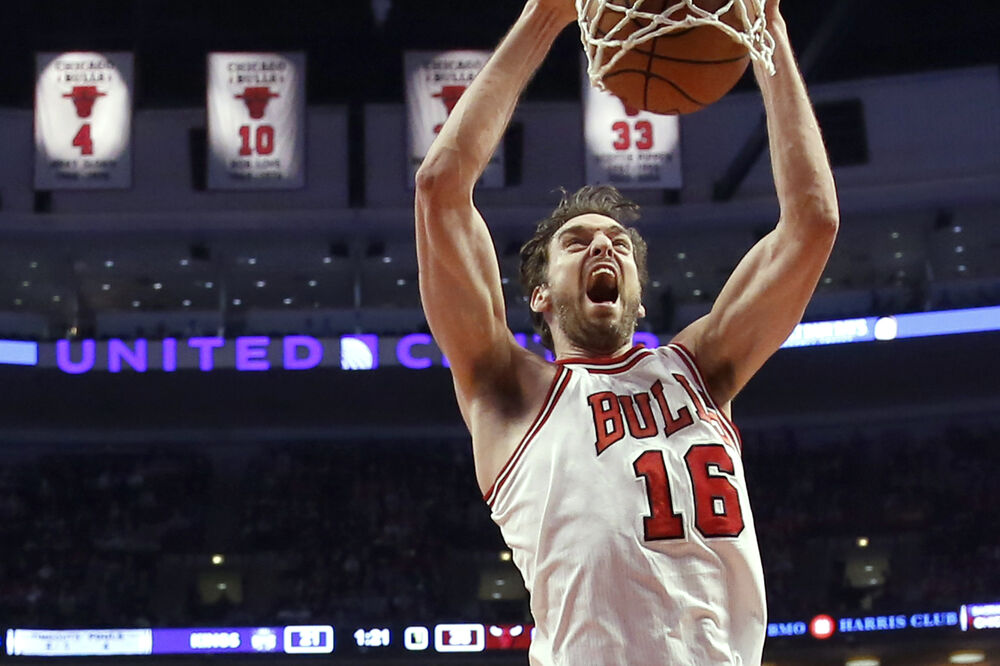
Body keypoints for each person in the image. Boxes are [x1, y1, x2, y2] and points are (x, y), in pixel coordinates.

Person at [414, 0, 839, 663]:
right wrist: (544, 17)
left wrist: (768, 29)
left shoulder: (700, 370)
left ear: (638, 300)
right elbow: (441, 187)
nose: (602, 247)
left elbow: (812, 223)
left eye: (617, 243)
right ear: (540, 296)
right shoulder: (511, 393)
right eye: (577, 243)